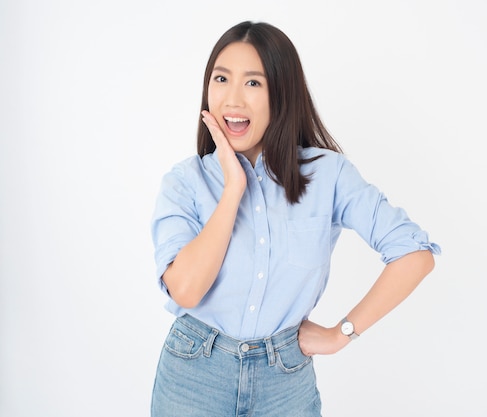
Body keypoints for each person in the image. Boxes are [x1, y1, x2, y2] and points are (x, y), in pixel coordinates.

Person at [150, 20, 441, 417]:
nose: (232, 98)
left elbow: (414, 254)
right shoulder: (185, 182)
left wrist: (341, 334)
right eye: (221, 79)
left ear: (281, 93)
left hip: (285, 382)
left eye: (253, 83)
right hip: (194, 376)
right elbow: (185, 291)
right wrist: (233, 187)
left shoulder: (329, 176)